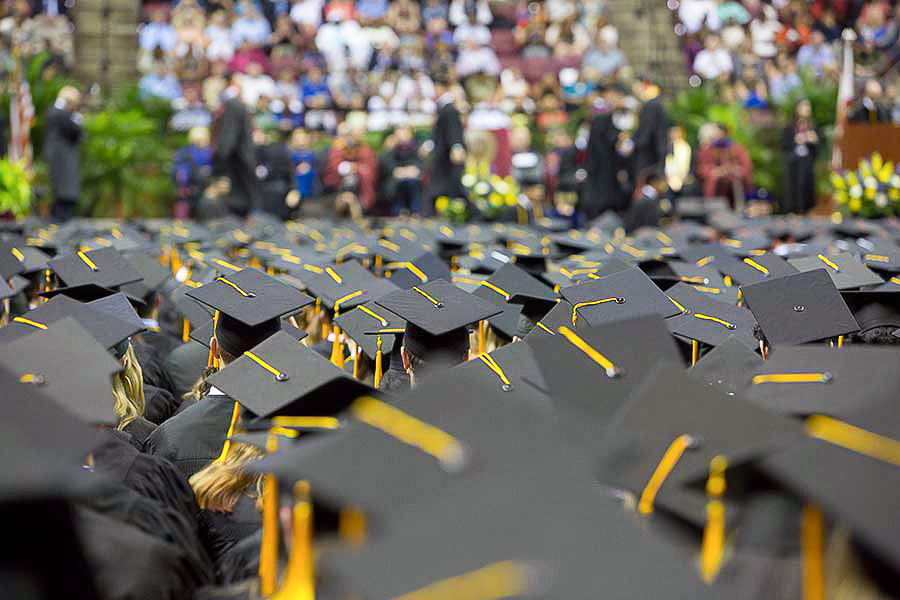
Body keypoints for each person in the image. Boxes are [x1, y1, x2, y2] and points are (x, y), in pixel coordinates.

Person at [212, 81, 259, 217]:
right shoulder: (241, 108)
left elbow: (228, 140)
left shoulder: (232, 107)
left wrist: (220, 156)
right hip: (246, 158)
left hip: (237, 162)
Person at [581, 89, 625, 220]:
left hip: (604, 165)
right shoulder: (602, 114)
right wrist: (617, 137)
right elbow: (605, 136)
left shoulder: (606, 114)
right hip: (600, 165)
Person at [424, 79, 466, 215]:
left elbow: (453, 129)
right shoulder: (444, 107)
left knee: (443, 189)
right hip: (442, 155)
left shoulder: (449, 109)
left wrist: (457, 146)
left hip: (446, 156)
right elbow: (440, 131)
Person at [44, 85, 83, 221]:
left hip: (68, 164)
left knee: (67, 200)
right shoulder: (56, 113)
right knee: (61, 198)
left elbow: (78, 135)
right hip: (60, 163)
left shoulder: (67, 115)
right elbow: (62, 120)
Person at [696, 124, 753, 205]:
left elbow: (746, 166)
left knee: (736, 181)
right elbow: (703, 167)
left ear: (725, 133)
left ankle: (740, 207)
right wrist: (716, 171)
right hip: (716, 178)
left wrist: (732, 169)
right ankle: (710, 205)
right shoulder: (708, 149)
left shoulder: (737, 148)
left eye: (719, 133)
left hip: (733, 178)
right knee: (713, 178)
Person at [781, 99, 819, 214]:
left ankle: (806, 209)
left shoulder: (812, 125)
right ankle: (793, 209)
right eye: (804, 106)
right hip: (793, 162)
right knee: (794, 187)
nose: (807, 109)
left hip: (807, 161)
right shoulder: (790, 126)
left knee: (807, 186)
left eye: (808, 106)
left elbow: (817, 147)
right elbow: (784, 144)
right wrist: (796, 140)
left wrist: (813, 140)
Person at [631, 77, 669, 188]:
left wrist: (633, 144)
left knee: (646, 188)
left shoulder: (651, 106)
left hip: (649, 156)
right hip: (656, 153)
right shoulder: (656, 104)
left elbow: (646, 134)